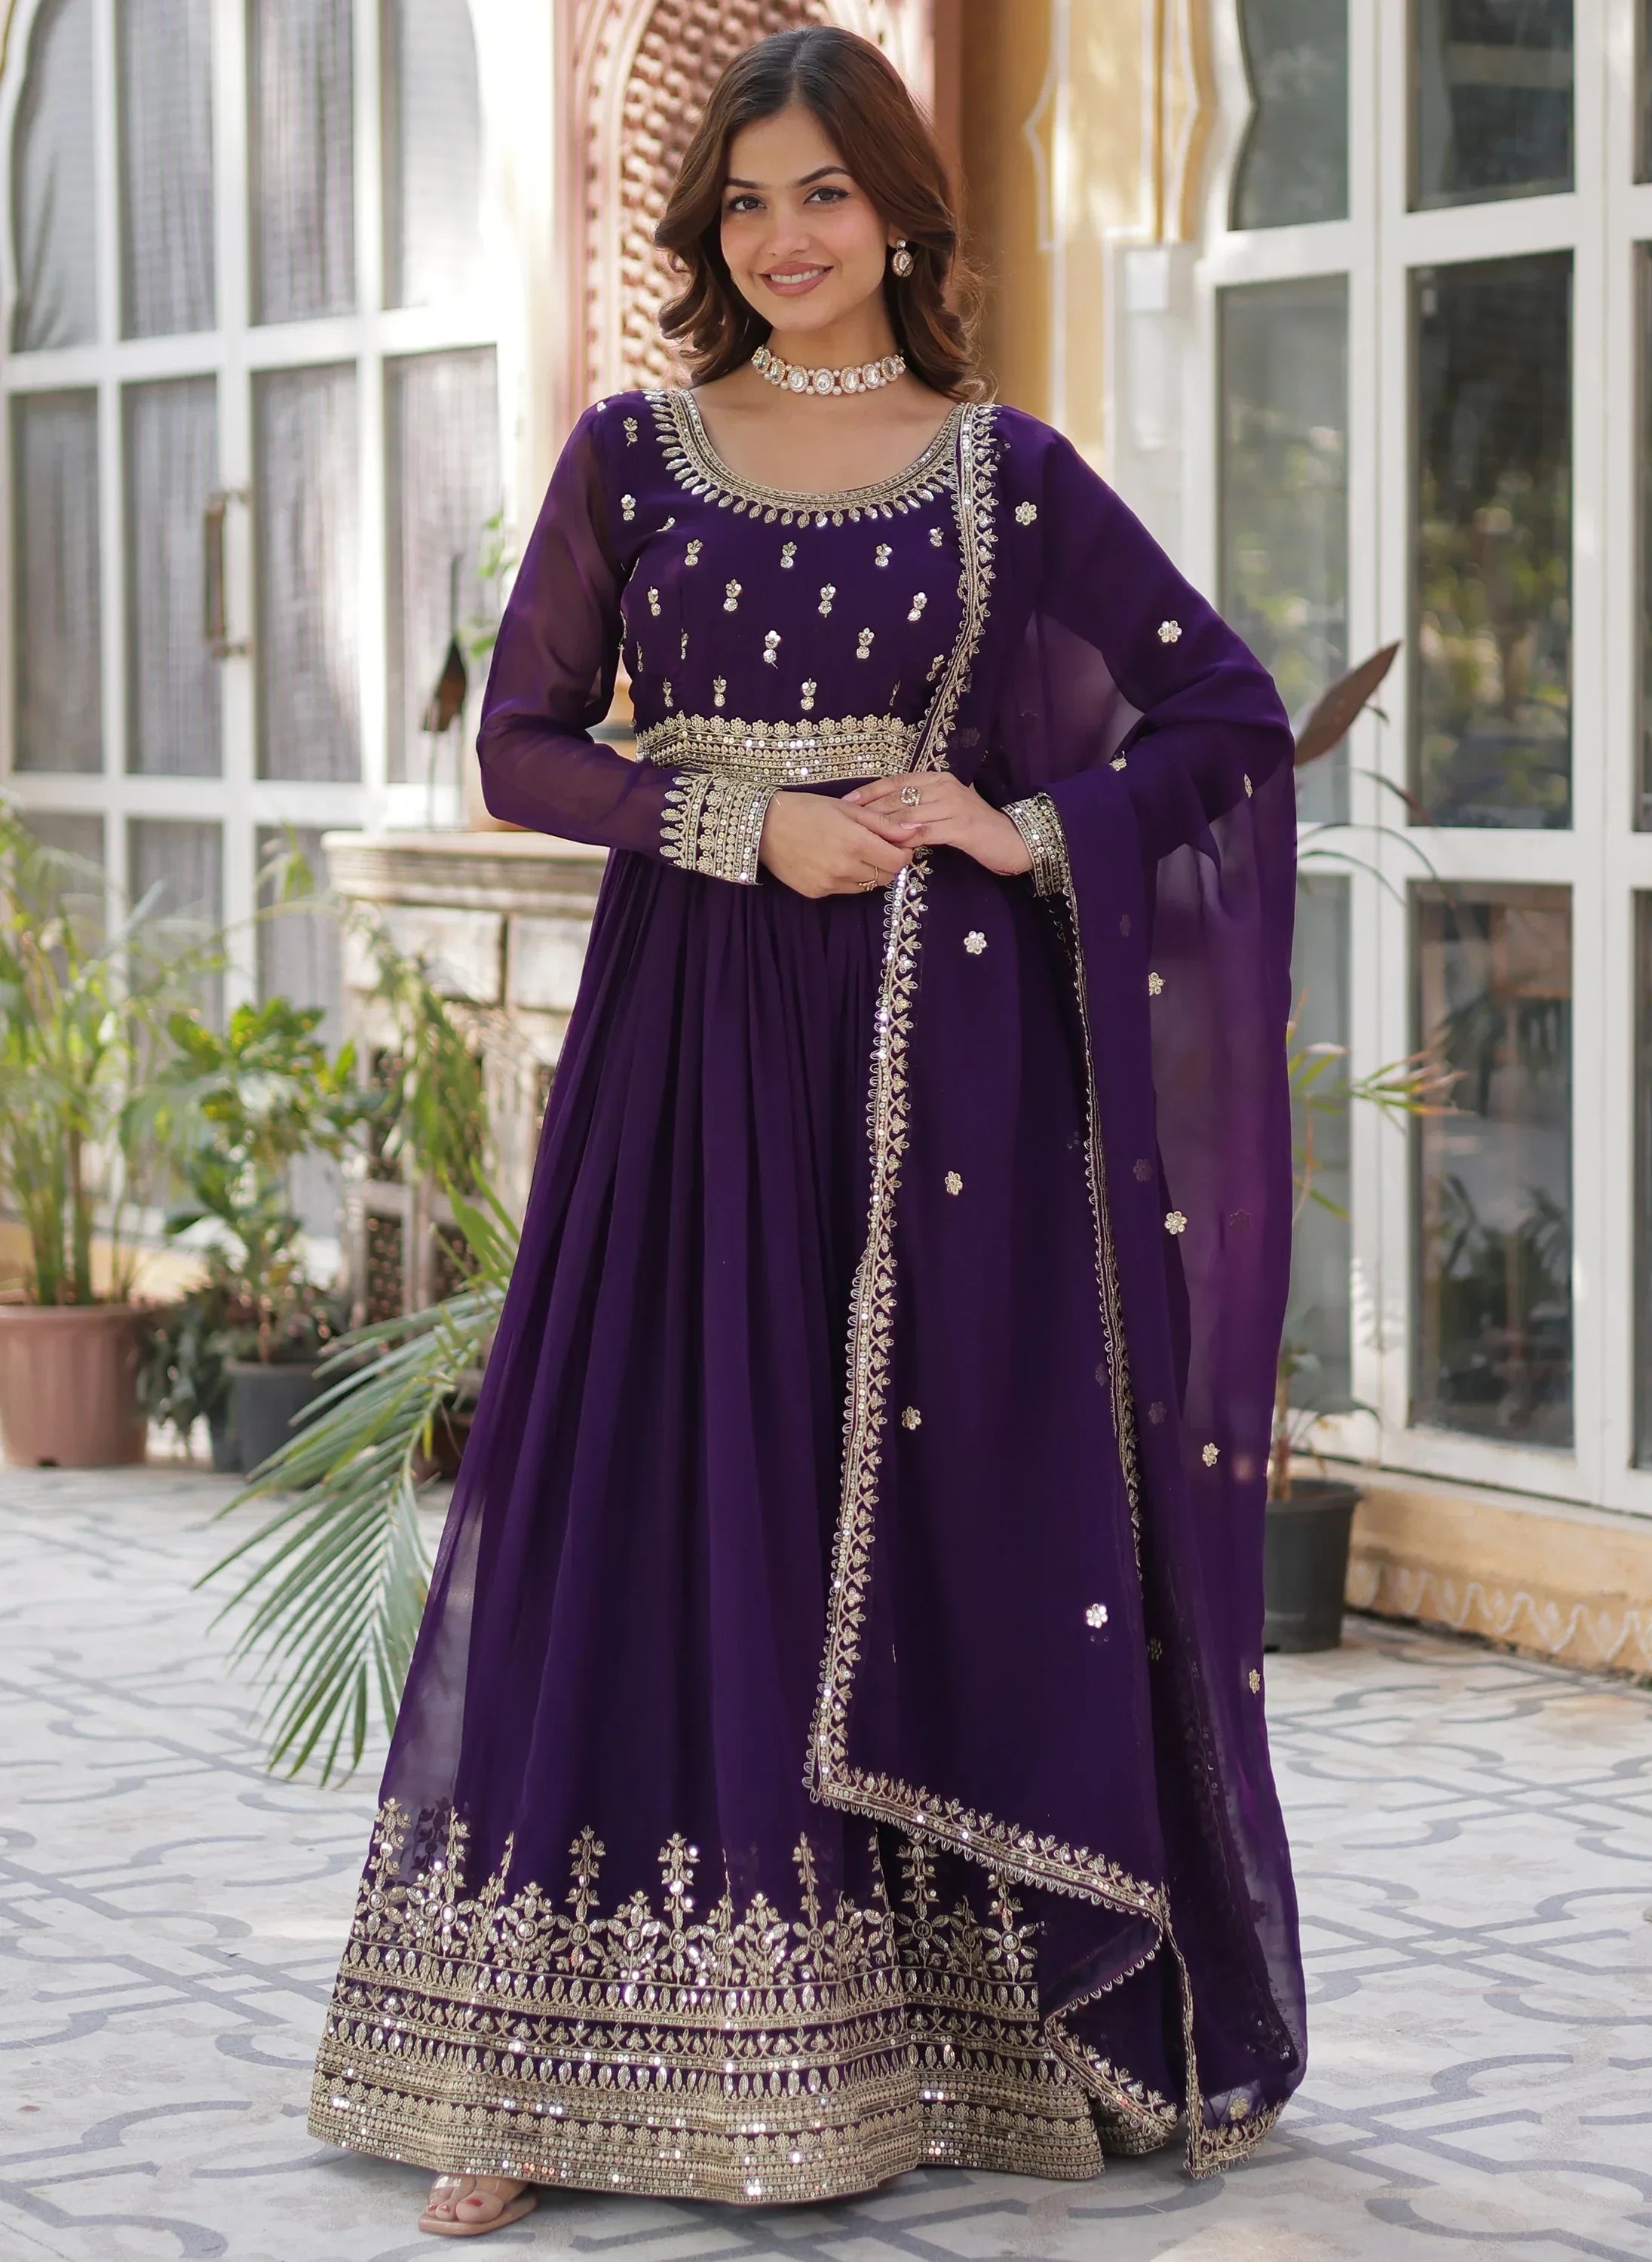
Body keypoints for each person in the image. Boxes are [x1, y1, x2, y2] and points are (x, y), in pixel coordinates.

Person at [306, 25, 1307, 2239]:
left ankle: (937, 2032)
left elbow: (1222, 708)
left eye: (824, 197)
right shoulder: (634, 459)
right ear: (712, 233)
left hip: (940, 1069)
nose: (785, 240)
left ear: (901, 216)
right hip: (695, 1042)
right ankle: (536, 2065)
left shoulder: (1006, 469)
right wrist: (732, 824)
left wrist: (1028, 824)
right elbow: (523, 743)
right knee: (654, 1493)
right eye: (746, 204)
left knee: (907, 1501)